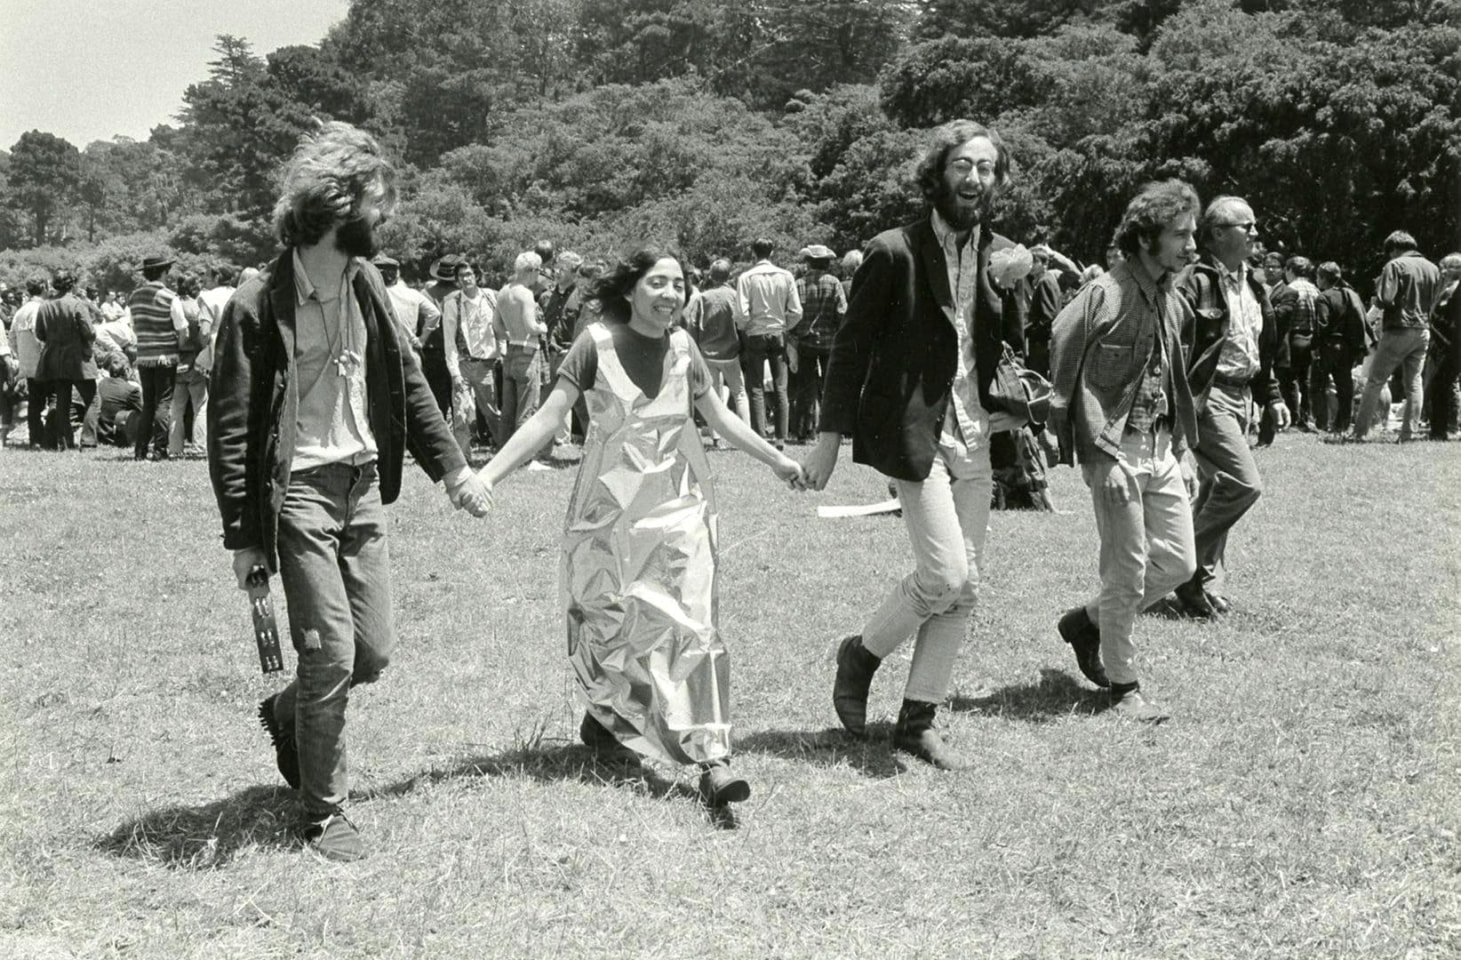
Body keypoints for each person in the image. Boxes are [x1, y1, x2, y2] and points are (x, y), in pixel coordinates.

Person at [208, 121, 490, 862]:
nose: (384, 219)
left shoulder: (366, 284)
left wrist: (454, 470)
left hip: (362, 484)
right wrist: (243, 537)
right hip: (296, 492)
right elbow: (231, 428)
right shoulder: (255, 301)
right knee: (329, 655)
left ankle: (285, 711)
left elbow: (408, 381)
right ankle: (324, 810)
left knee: (371, 654)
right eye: (375, 204)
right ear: (337, 207)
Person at [476, 246, 806, 806]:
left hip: (680, 511)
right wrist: (487, 476)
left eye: (679, 284)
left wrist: (776, 459)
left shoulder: (684, 346)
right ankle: (608, 721)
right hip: (608, 517)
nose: (671, 295)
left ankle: (712, 758)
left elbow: (720, 418)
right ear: (631, 290)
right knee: (614, 624)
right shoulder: (594, 345)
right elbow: (549, 418)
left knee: (693, 626)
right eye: (658, 283)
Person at [805, 119, 1019, 770]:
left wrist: (1018, 293)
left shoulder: (1001, 254)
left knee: (966, 588)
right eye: (962, 164)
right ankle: (862, 654)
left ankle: (916, 720)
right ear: (938, 171)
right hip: (914, 427)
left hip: (979, 427)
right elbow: (849, 351)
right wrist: (825, 440)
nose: (974, 177)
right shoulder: (892, 250)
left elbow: (1003, 344)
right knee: (944, 573)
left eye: (985, 167)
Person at [1049, 181, 1202, 722]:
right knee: (1127, 571)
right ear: (1144, 238)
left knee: (1180, 564)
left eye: (1193, 234)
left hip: (1160, 449)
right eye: (1180, 235)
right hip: (1116, 453)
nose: (1191, 246)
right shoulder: (1103, 295)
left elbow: (1168, 380)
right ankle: (1123, 686)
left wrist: (1180, 450)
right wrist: (1098, 455)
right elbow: (1066, 359)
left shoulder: (1170, 298)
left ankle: (1086, 622)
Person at [1173, 196, 1290, 619]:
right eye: (1248, 226)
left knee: (1214, 488)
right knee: (1244, 484)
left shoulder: (1255, 283)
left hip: (1241, 396)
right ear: (1219, 233)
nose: (1256, 233)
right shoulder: (1195, 281)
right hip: (1208, 395)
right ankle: (1177, 565)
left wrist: (1271, 397)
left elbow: (1260, 347)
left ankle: (1204, 584)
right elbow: (1176, 345)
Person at [1348, 232, 1442, 442]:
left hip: (1399, 328)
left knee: (1375, 381)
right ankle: (1408, 434)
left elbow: (1385, 299)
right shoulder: (1433, 268)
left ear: (1393, 249)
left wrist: (1369, 316)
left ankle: (1360, 432)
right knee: (1414, 382)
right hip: (1423, 330)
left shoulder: (1395, 265)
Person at [736, 238, 803, 450]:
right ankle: (780, 438)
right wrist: (785, 325)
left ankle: (760, 437)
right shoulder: (786, 276)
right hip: (778, 332)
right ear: (772, 252)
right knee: (780, 386)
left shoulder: (746, 277)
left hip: (755, 333)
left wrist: (745, 327)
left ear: (753, 254)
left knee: (755, 387)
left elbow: (741, 312)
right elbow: (797, 311)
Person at [441, 260, 503, 458]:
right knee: (461, 414)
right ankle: (463, 457)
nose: (466, 279)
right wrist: (455, 373)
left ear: (477, 275)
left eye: (469, 274)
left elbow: (502, 327)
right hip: (463, 364)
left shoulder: (492, 297)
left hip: (487, 364)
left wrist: (503, 351)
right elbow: (449, 340)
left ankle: (504, 451)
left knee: (492, 412)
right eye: (461, 276)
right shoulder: (452, 303)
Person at [34, 270, 99, 451]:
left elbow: (40, 333)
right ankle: (88, 442)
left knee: (62, 402)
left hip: (54, 359)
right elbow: (90, 332)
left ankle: (64, 443)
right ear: (72, 284)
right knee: (93, 400)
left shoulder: (45, 306)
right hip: (78, 359)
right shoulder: (77, 304)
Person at [687, 258, 749, 446]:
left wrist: (695, 349)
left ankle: (716, 438)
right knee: (739, 393)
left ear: (711, 277)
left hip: (707, 354)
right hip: (730, 352)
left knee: (713, 397)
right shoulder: (734, 295)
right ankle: (746, 435)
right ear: (729, 275)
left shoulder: (703, 298)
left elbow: (693, 325)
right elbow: (742, 322)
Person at [789, 245, 846, 444]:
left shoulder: (799, 284)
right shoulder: (834, 283)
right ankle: (833, 430)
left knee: (806, 390)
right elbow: (842, 312)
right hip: (830, 343)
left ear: (809, 262)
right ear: (826, 262)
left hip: (806, 343)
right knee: (831, 387)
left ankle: (804, 432)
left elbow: (793, 314)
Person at [128, 256, 179, 460]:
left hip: (144, 356)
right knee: (164, 402)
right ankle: (159, 449)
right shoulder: (169, 297)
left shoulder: (135, 296)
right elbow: (181, 327)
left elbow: (133, 326)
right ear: (164, 272)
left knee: (148, 402)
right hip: (165, 355)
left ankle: (140, 450)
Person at [495, 251, 548, 443]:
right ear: (531, 270)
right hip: (527, 351)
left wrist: (512, 333)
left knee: (508, 410)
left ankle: (503, 450)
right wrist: (543, 327)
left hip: (510, 352)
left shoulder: (503, 291)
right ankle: (524, 457)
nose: (538, 276)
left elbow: (497, 328)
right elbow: (531, 326)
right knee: (527, 407)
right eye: (538, 271)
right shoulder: (525, 294)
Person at [1312, 262, 1370, 434]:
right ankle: (1342, 424)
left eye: (1317, 277)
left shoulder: (1324, 297)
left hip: (1329, 345)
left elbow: (1322, 324)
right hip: (1348, 347)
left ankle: (1321, 423)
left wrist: (1315, 346)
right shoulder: (1351, 294)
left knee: (1317, 385)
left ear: (1323, 278)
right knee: (1344, 387)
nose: (1316, 280)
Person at [1271, 256, 1320, 432]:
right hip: (1311, 337)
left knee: (1289, 379)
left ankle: (1293, 416)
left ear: (1290, 270)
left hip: (1293, 337)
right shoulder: (1315, 289)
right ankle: (1307, 417)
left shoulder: (1290, 289)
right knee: (1306, 380)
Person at [167, 272, 210, 458]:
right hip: (194, 359)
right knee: (200, 405)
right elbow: (202, 334)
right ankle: (200, 448)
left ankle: (175, 448)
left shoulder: (173, 305)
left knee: (176, 407)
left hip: (176, 360)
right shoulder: (196, 307)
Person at [1424, 253, 1461, 440]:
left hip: (1453, 346)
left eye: (1443, 268)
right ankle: (1443, 428)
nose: (1441, 272)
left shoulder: (1451, 291)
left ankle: (1439, 431)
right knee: (1444, 385)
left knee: (1440, 386)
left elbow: (1442, 318)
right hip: (1452, 344)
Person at [8, 278, 48, 447]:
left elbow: (12, 338)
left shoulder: (20, 312)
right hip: (43, 364)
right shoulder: (39, 309)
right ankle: (47, 438)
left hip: (28, 366)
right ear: (44, 288)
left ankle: (36, 439)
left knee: (35, 404)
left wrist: (22, 356)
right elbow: (40, 335)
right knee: (51, 400)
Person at [1024, 245, 1063, 379]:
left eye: (1035, 262)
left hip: (1041, 344)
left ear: (1044, 264)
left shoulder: (1045, 282)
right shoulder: (1047, 280)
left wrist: (1031, 332)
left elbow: (1048, 316)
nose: (1031, 266)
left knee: (1038, 380)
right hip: (1045, 343)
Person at [96, 354, 144, 448]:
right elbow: (145, 412)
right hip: (117, 436)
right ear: (127, 370)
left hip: (100, 435)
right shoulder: (131, 390)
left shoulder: (101, 384)